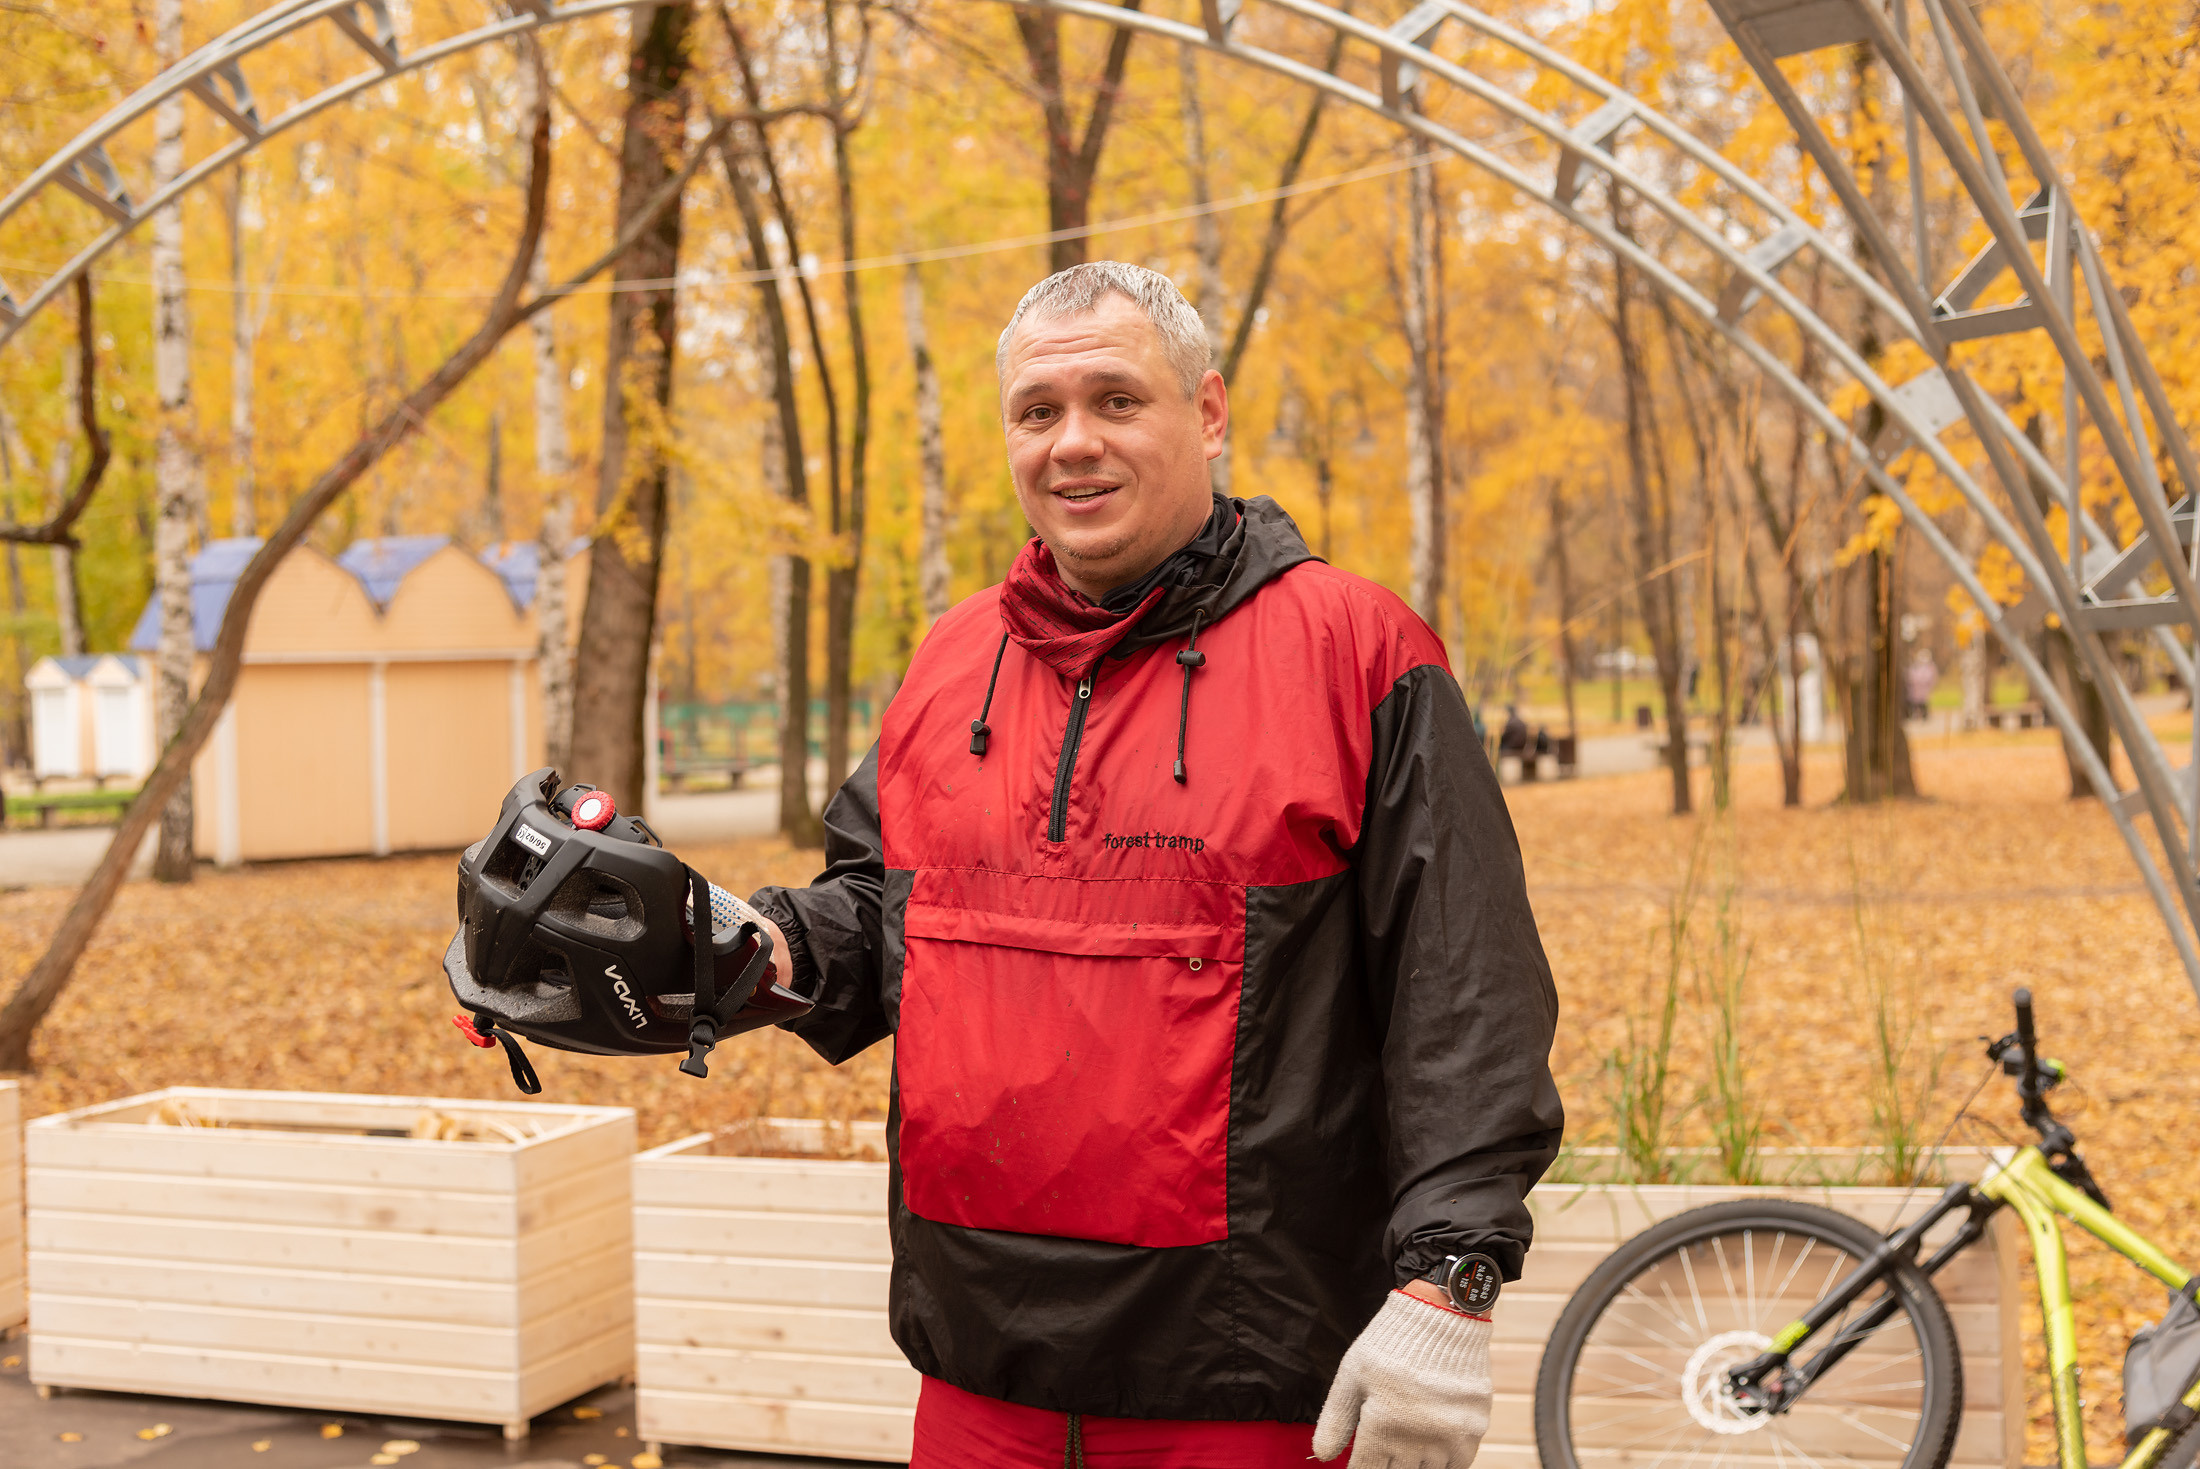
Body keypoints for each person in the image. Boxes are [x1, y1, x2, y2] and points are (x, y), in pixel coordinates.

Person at [744, 263, 1563, 1468]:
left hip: (1245, 1386)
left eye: (1116, 400)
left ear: (1209, 413)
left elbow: (1466, 990)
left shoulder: (1357, 652)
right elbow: (880, 919)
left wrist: (1450, 1282)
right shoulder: (951, 656)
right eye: (1038, 411)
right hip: (980, 1371)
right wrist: (728, 946)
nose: (1072, 443)